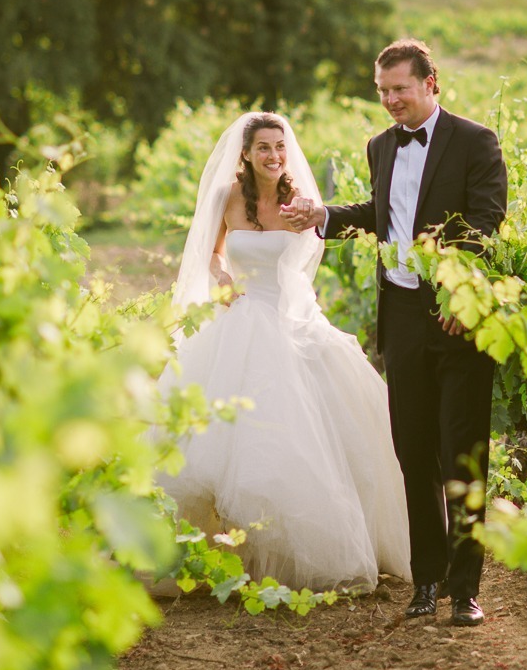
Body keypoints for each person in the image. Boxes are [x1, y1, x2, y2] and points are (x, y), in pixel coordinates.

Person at [283, 39, 508, 627]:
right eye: (382, 91)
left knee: (463, 454)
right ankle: (426, 581)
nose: (390, 101)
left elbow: (486, 223)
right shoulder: (380, 146)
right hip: (403, 316)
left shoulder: (476, 142)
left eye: (400, 89)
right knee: (413, 452)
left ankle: (465, 590)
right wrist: (325, 217)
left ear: (432, 83)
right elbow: (383, 214)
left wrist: (465, 291)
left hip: (457, 314)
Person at [158, 111, 411, 591]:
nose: (273, 156)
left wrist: (297, 295)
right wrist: (223, 277)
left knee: (301, 429)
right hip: (238, 316)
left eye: (279, 147)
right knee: (218, 439)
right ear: (246, 155)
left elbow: (305, 259)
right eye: (263, 148)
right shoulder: (227, 197)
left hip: (285, 313)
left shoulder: (300, 201)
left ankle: (284, 552)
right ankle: (218, 552)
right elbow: (210, 253)